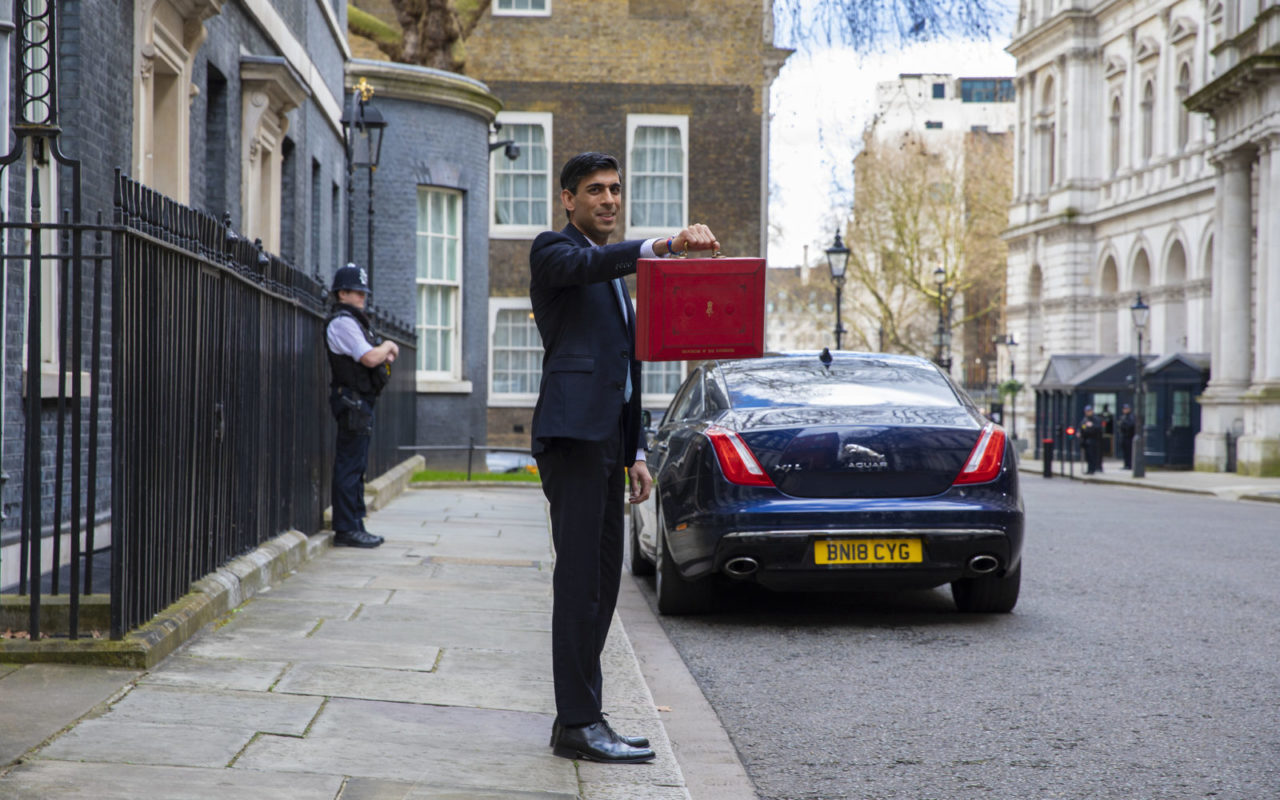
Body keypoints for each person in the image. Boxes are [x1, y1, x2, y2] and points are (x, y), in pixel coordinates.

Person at [529, 152, 718, 764]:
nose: (608, 199)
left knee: (604, 585)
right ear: (568, 199)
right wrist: (663, 244)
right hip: (573, 438)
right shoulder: (556, 252)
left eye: (614, 189)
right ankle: (577, 723)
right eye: (594, 191)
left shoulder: (613, 278)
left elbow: (627, 369)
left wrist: (636, 449)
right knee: (579, 583)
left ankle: (584, 718)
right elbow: (589, 262)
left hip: (609, 443)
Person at [325, 263, 399, 548]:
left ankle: (355, 524)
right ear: (342, 293)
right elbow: (369, 357)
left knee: (356, 467)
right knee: (349, 466)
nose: (362, 297)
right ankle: (346, 528)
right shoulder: (342, 323)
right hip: (351, 401)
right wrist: (388, 346)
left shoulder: (352, 321)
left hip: (359, 402)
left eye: (363, 292)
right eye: (357, 292)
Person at [1078, 404, 1103, 474]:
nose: (1088, 412)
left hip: (1093, 440)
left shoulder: (1096, 419)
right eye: (1087, 411)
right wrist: (1080, 432)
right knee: (1088, 456)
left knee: (1093, 456)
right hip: (1086, 440)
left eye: (1089, 411)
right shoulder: (1085, 419)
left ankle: (1093, 469)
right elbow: (1082, 427)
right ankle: (1089, 469)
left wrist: (1092, 426)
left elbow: (1099, 429)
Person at [1117, 403, 1136, 469]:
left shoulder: (1131, 417)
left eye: (1127, 409)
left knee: (1129, 452)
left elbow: (1131, 426)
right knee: (1125, 452)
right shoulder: (1122, 417)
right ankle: (1126, 464)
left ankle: (1129, 465)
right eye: (1124, 409)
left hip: (1129, 437)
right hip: (1123, 437)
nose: (1125, 410)